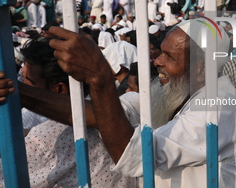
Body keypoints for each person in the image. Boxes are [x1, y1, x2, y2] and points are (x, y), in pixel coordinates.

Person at [5, 19, 236, 187]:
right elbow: (101, 115)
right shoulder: (178, 89)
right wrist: (17, 91)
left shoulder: (219, 106)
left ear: (202, 69)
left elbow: (138, 158)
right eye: (160, 51)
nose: (157, 61)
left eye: (169, 56)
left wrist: (99, 77)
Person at [0, 37, 136, 187]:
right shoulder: (119, 112)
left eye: (29, 83)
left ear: (59, 89)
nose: (24, 84)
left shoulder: (46, 139)